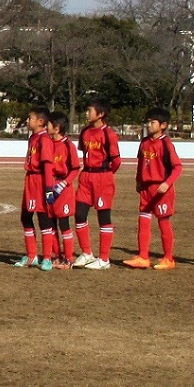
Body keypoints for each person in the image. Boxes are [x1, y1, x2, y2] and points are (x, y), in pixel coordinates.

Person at [125, 108, 183, 270]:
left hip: (161, 189)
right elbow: (141, 163)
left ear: (163, 125)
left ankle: (168, 258)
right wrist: (138, 180)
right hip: (146, 188)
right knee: (143, 220)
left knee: (163, 222)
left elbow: (177, 167)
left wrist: (167, 183)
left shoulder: (166, 144)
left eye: (152, 122)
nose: (148, 125)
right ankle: (143, 256)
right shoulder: (144, 142)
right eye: (148, 122)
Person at [74, 98, 122, 269]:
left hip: (103, 178)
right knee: (79, 214)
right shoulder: (85, 132)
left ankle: (104, 259)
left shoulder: (108, 134)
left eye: (90, 110)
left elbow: (116, 161)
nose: (87, 113)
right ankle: (87, 253)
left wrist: (106, 175)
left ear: (101, 114)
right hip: (86, 177)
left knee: (103, 217)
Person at [15, 108, 54, 271]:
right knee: (26, 217)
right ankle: (31, 255)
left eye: (30, 118)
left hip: (39, 180)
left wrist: (49, 188)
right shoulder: (33, 138)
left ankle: (47, 258)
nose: (27, 121)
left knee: (44, 219)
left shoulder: (44, 139)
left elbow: (47, 165)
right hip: (30, 180)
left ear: (40, 121)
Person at [46, 111, 82, 267]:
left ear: (57, 127)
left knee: (64, 224)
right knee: (51, 223)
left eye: (48, 124)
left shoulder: (68, 145)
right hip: (49, 186)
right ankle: (56, 255)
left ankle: (69, 258)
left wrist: (64, 183)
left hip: (63, 189)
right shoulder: (47, 143)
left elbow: (75, 168)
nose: (46, 127)